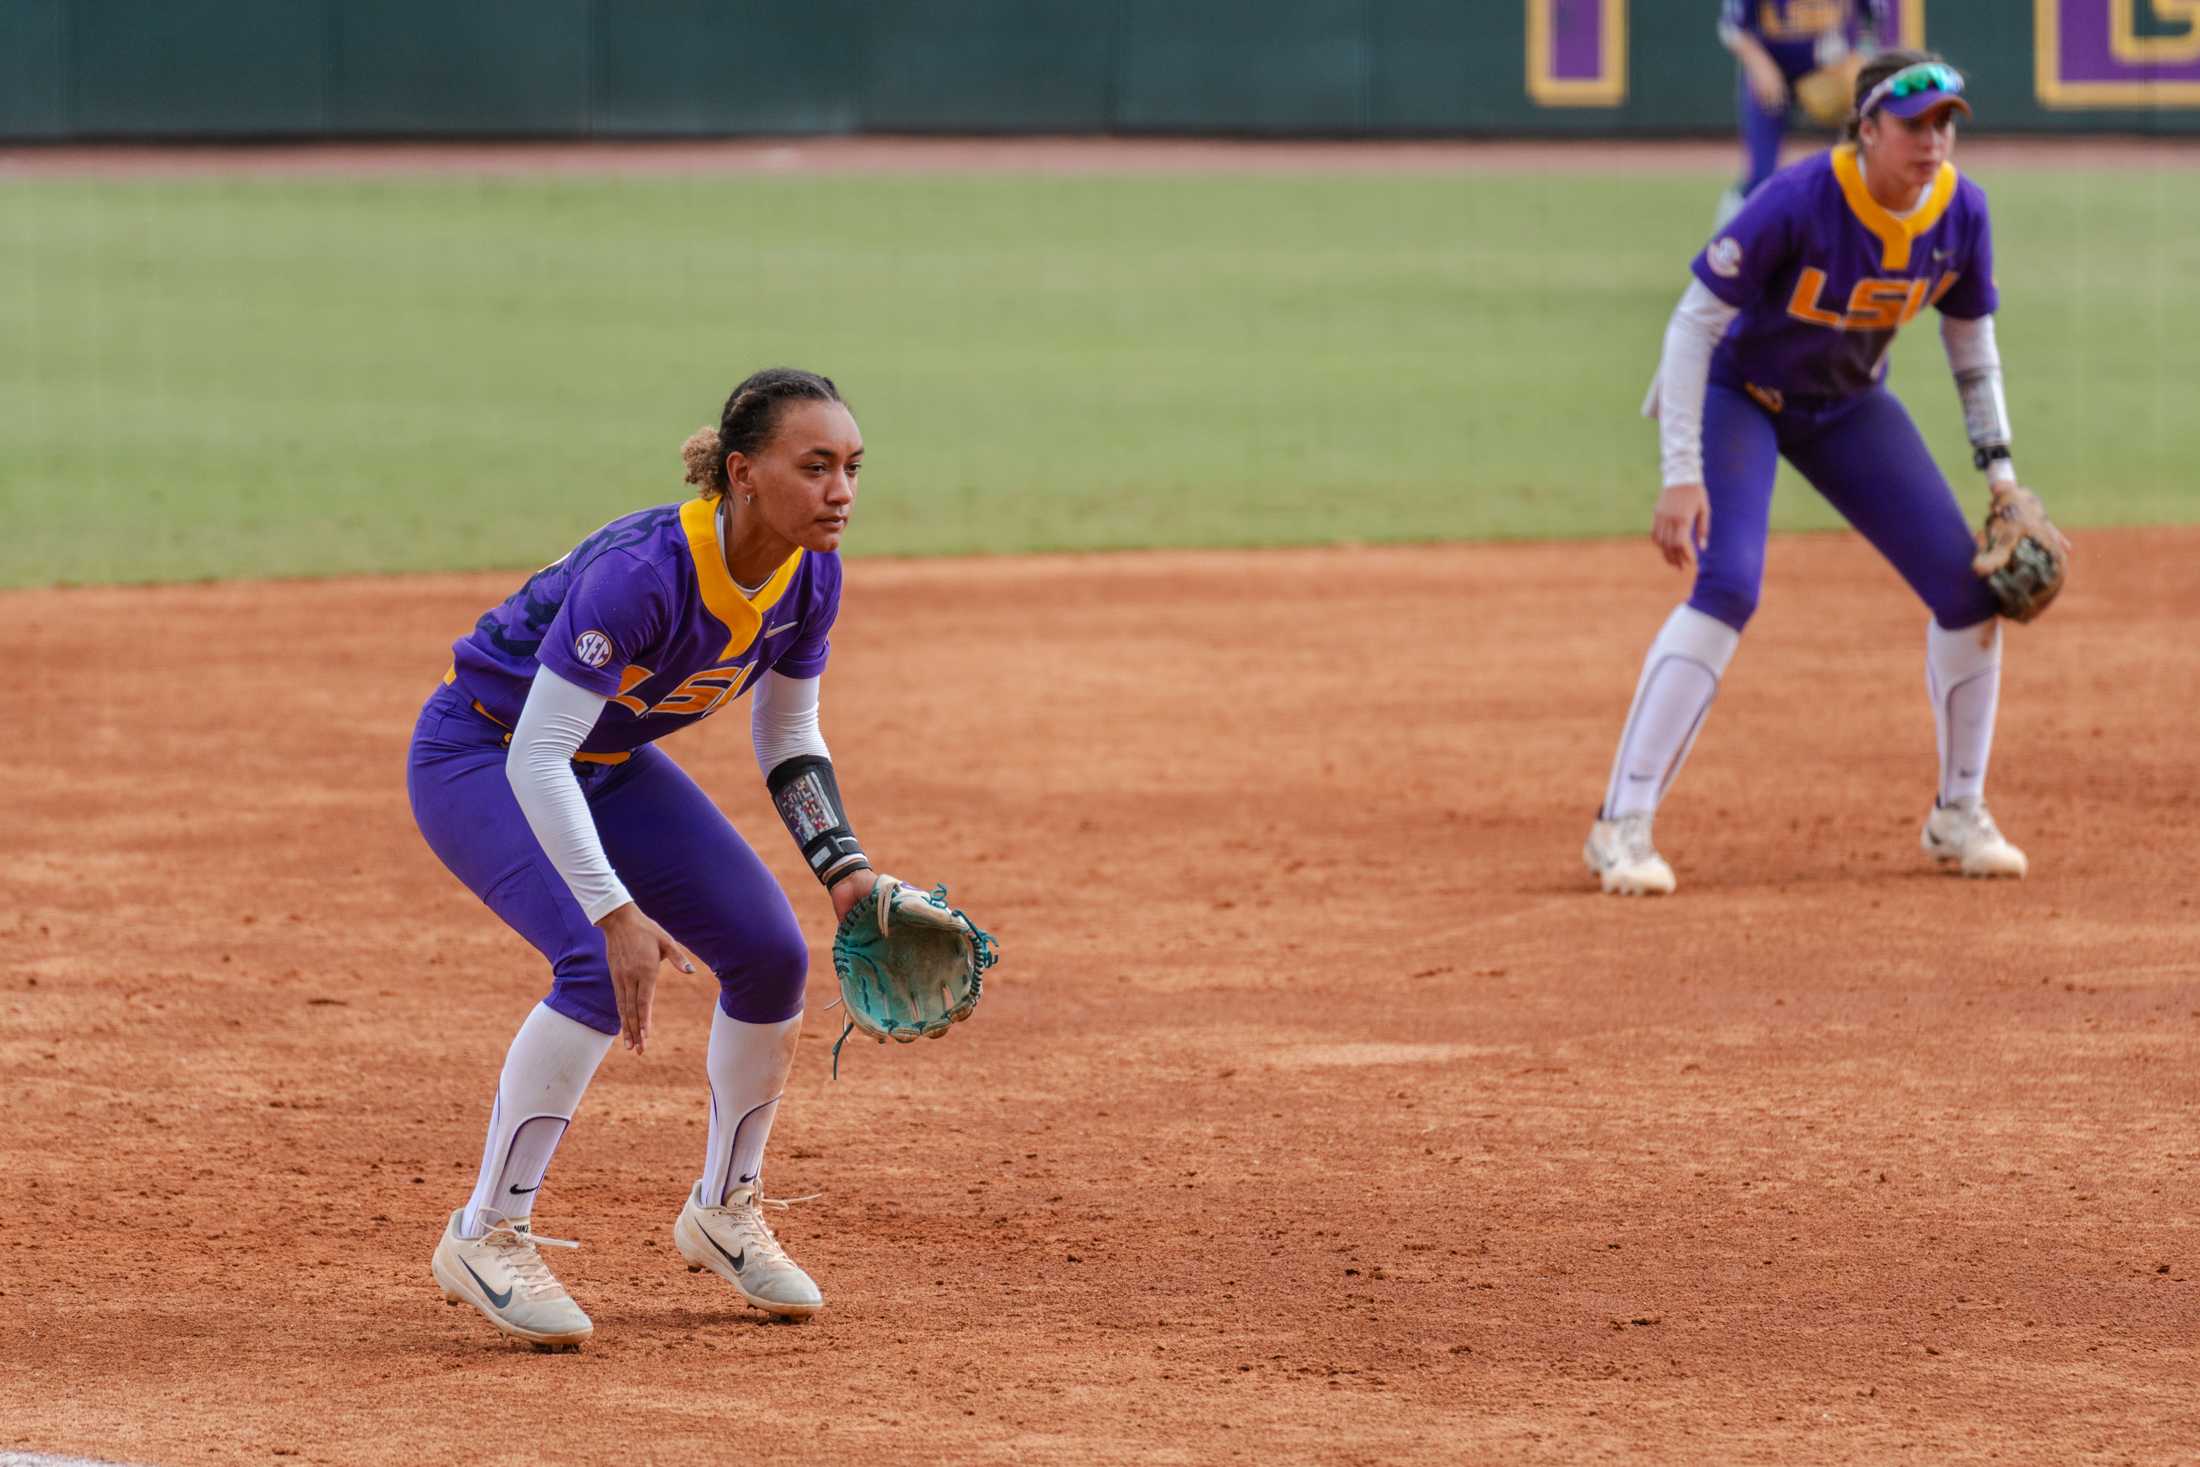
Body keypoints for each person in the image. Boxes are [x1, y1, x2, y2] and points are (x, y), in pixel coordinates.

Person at [409, 368, 891, 1347]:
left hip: (605, 761)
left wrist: (844, 870)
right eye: (816, 466)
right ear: (745, 474)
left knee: (770, 955)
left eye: (851, 467)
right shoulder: (643, 573)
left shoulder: (810, 571)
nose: (840, 490)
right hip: (484, 751)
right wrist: (615, 911)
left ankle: (724, 1210)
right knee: (591, 963)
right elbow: (537, 751)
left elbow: (788, 732)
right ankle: (487, 1231)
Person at [1587, 52, 2046, 896]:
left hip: (1847, 406)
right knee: (1729, 586)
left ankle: (1959, 813)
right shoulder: (1799, 200)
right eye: (1914, 124)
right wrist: (1681, 471)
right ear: (1867, 128)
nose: (1933, 140)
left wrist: (2001, 471)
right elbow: (1694, 327)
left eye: (1946, 122)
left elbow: (1970, 346)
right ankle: (1621, 825)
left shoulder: (1961, 212)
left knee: (1970, 592)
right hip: (1744, 396)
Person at [1718, 0, 1890, 224]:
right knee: (1761, 178)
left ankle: (1855, 235)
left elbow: (1875, 16)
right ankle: (1730, 237)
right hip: (1771, 68)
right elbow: (1732, 28)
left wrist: (1860, 55)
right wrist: (1761, 67)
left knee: (1857, 166)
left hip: (1829, 71)